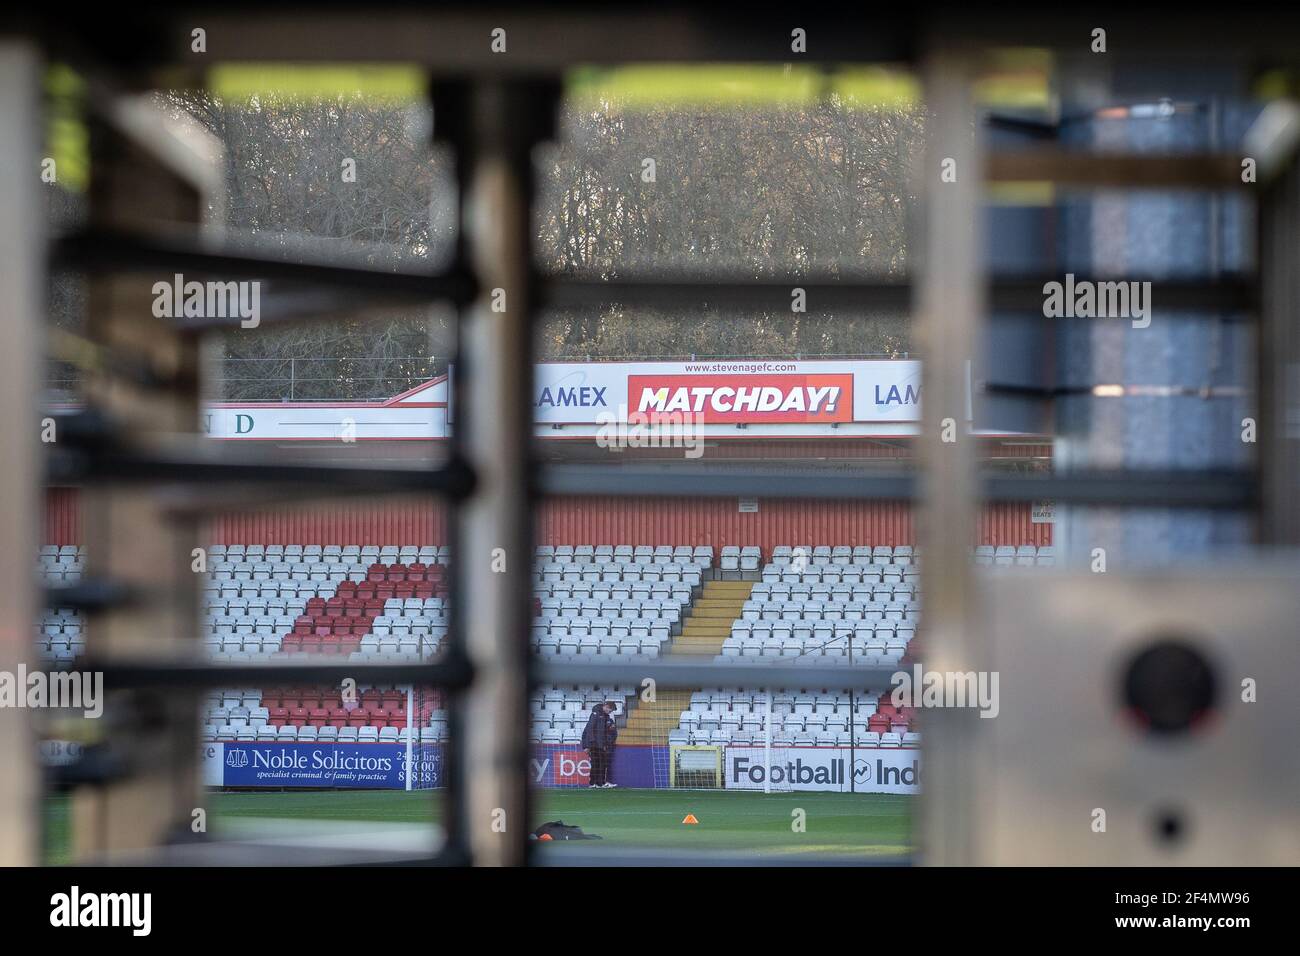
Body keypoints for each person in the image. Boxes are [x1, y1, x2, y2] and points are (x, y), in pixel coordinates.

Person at [580, 701, 619, 788]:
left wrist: (606, 743)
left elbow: (606, 733)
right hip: (594, 744)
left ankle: (598, 783)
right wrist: (588, 745)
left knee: (601, 764)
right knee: (596, 763)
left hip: (601, 745)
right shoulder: (595, 714)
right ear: (606, 706)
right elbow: (589, 730)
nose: (610, 711)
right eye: (610, 709)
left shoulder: (605, 717)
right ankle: (595, 783)